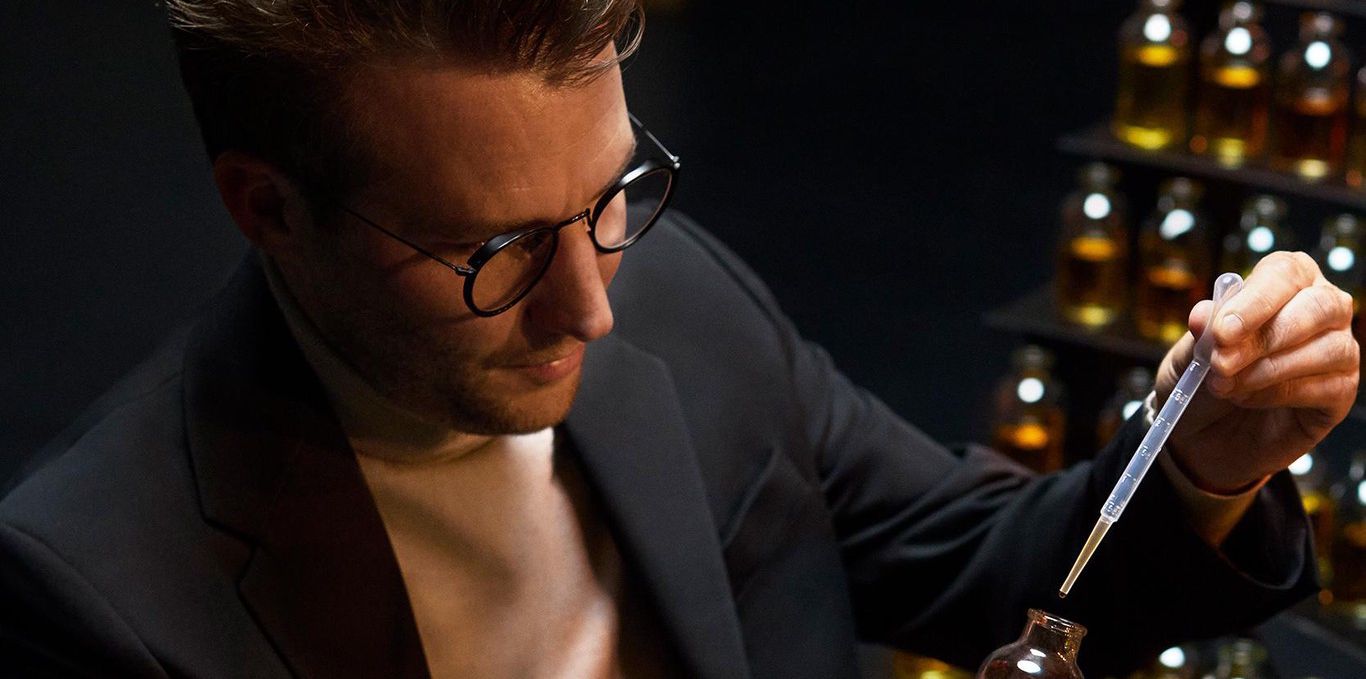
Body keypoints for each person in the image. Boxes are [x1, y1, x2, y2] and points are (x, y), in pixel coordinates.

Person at [0, 1, 1357, 677]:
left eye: (608, 199)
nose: (590, 307)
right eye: (491, 252)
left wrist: (1207, 461)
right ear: (269, 208)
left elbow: (981, 565)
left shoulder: (667, 289)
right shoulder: (99, 596)